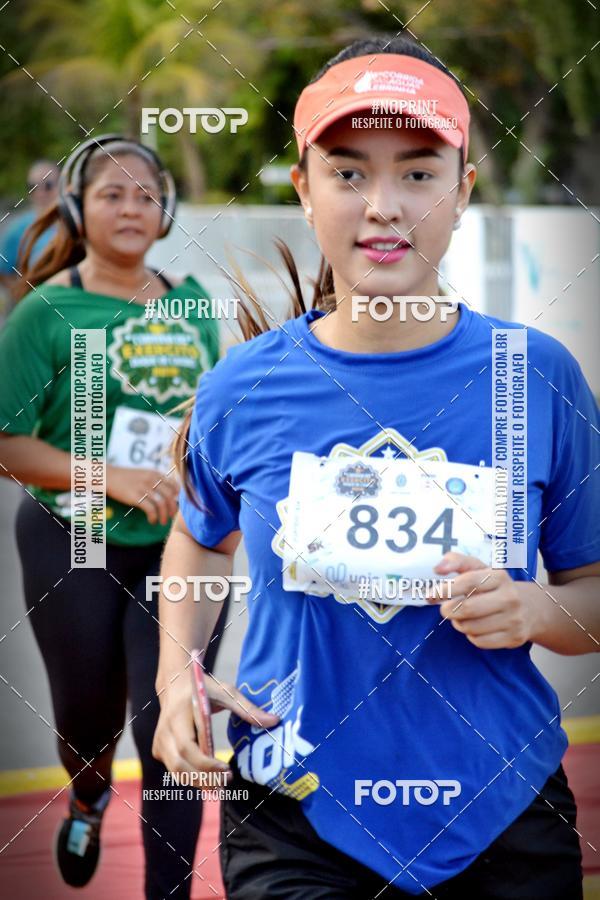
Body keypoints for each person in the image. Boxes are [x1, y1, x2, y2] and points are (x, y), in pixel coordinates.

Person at [152, 37, 600, 900]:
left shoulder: (537, 376)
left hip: (500, 809)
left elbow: (591, 592)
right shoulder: (242, 386)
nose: (384, 207)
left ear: (464, 191)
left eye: (420, 173)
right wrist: (179, 676)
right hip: (295, 809)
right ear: (304, 191)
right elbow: (197, 538)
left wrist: (533, 606)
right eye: (349, 173)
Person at [0, 135, 229, 898]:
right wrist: (113, 478)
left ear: (166, 211)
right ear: (77, 207)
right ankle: (89, 792)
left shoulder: (194, 302)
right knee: (88, 724)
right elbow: (10, 446)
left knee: (172, 727)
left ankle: (169, 890)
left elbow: (216, 415)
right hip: (76, 538)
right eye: (112, 193)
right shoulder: (45, 312)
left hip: (182, 545)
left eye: (146, 194)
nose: (132, 207)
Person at [0, 160, 60, 302]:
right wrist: (25, 297)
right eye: (32, 187)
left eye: (48, 186)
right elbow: (4, 270)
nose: (40, 193)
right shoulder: (19, 228)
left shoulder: (80, 221)